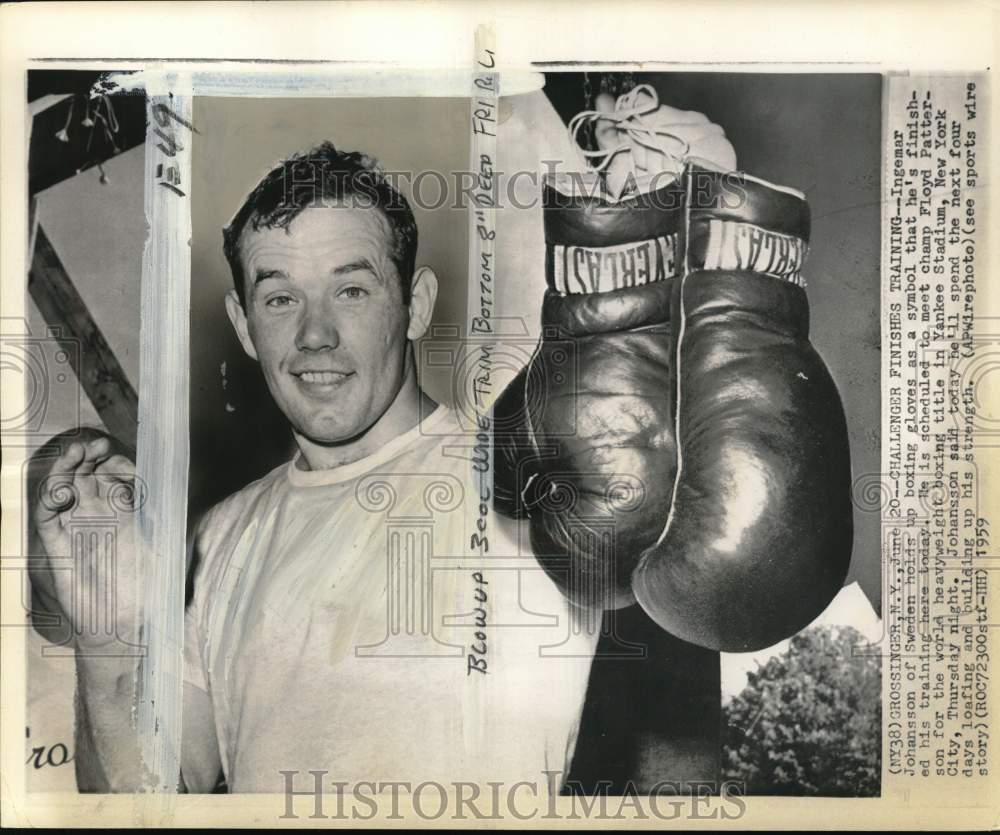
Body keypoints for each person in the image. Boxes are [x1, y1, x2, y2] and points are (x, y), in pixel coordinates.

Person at [36, 91, 843, 796]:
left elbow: (746, 569)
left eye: (352, 288)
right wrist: (109, 643)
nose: (315, 335)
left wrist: (700, 233)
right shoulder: (213, 541)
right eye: (280, 298)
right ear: (245, 325)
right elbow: (145, 793)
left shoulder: (519, 471)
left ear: (416, 304)